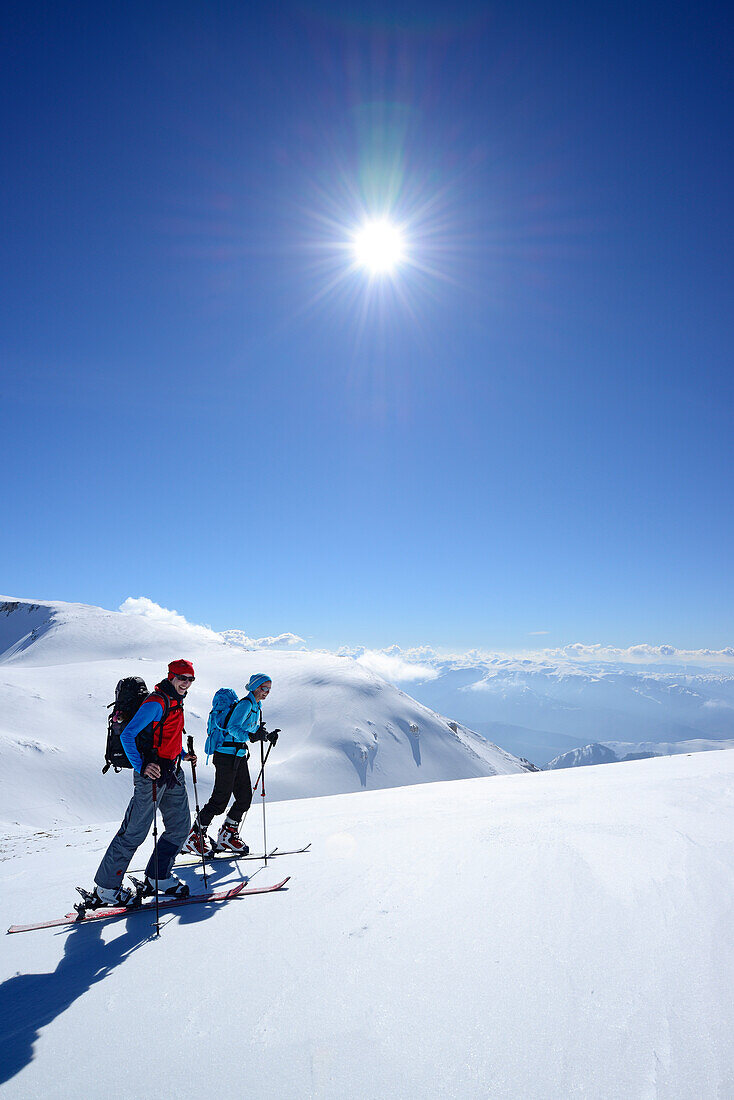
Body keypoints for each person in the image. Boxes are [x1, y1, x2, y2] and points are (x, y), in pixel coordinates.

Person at [91, 660, 198, 906]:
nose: (186, 683)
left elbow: (165, 736)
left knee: (181, 827)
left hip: (172, 772)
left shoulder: (175, 701)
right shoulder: (156, 702)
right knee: (134, 832)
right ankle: (107, 887)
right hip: (150, 776)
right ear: (171, 676)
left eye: (190, 679)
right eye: (182, 677)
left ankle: (158, 877)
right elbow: (128, 734)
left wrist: (182, 754)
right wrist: (141, 766)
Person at [185, 673, 278, 855]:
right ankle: (194, 836)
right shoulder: (246, 704)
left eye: (269, 689)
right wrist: (252, 736)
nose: (266, 692)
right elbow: (233, 728)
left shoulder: (256, 706)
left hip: (239, 755)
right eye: (263, 688)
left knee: (244, 798)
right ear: (254, 687)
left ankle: (227, 835)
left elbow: (248, 729)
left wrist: (265, 735)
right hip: (226, 755)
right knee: (219, 800)